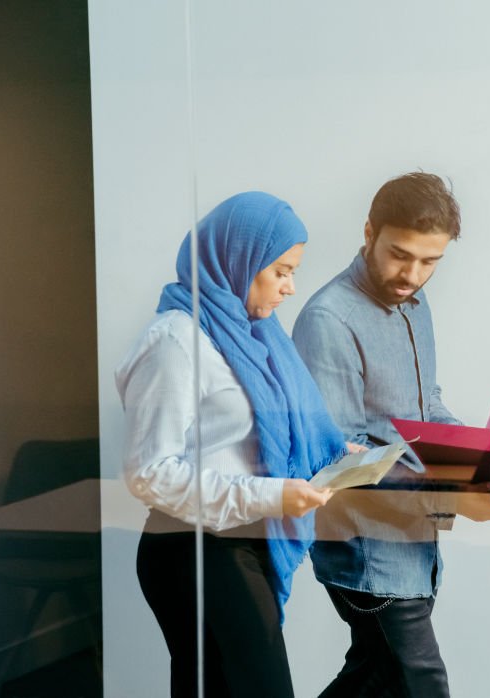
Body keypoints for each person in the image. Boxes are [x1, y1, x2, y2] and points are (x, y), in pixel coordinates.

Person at [115, 192, 350, 698]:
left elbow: (275, 432)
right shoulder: (176, 341)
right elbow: (148, 474)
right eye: (281, 272)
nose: (291, 288)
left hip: (244, 540)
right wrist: (274, 496)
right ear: (238, 260)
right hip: (192, 547)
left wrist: (338, 455)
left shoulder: (254, 337)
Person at [293, 172, 490, 697]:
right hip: (366, 548)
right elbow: (337, 459)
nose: (412, 274)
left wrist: (487, 461)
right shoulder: (330, 320)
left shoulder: (415, 306)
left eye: (429, 261)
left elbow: (426, 408)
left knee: (372, 676)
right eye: (400, 254)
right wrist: (455, 496)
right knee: (423, 684)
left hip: (415, 544)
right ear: (368, 232)